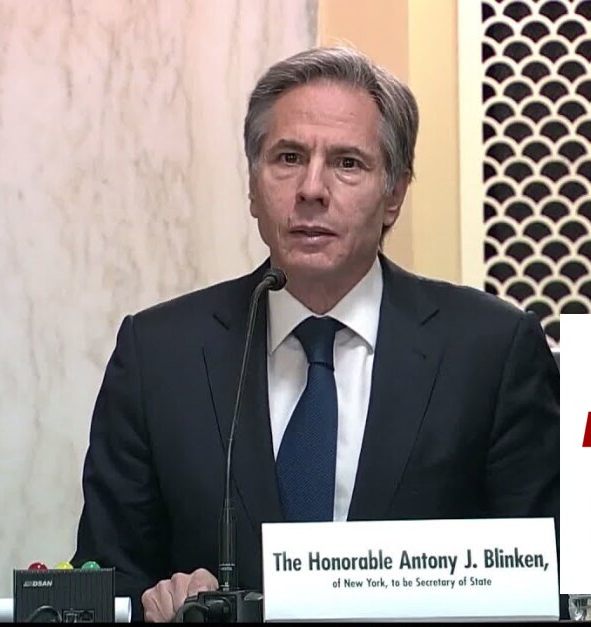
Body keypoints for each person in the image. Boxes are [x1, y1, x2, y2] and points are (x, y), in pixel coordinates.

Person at [72, 46, 560, 622]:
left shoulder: (492, 351)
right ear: (253, 186)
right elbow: (104, 582)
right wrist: (159, 602)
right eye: (288, 158)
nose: (311, 188)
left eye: (347, 163)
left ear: (395, 194)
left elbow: (546, 583)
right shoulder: (158, 354)